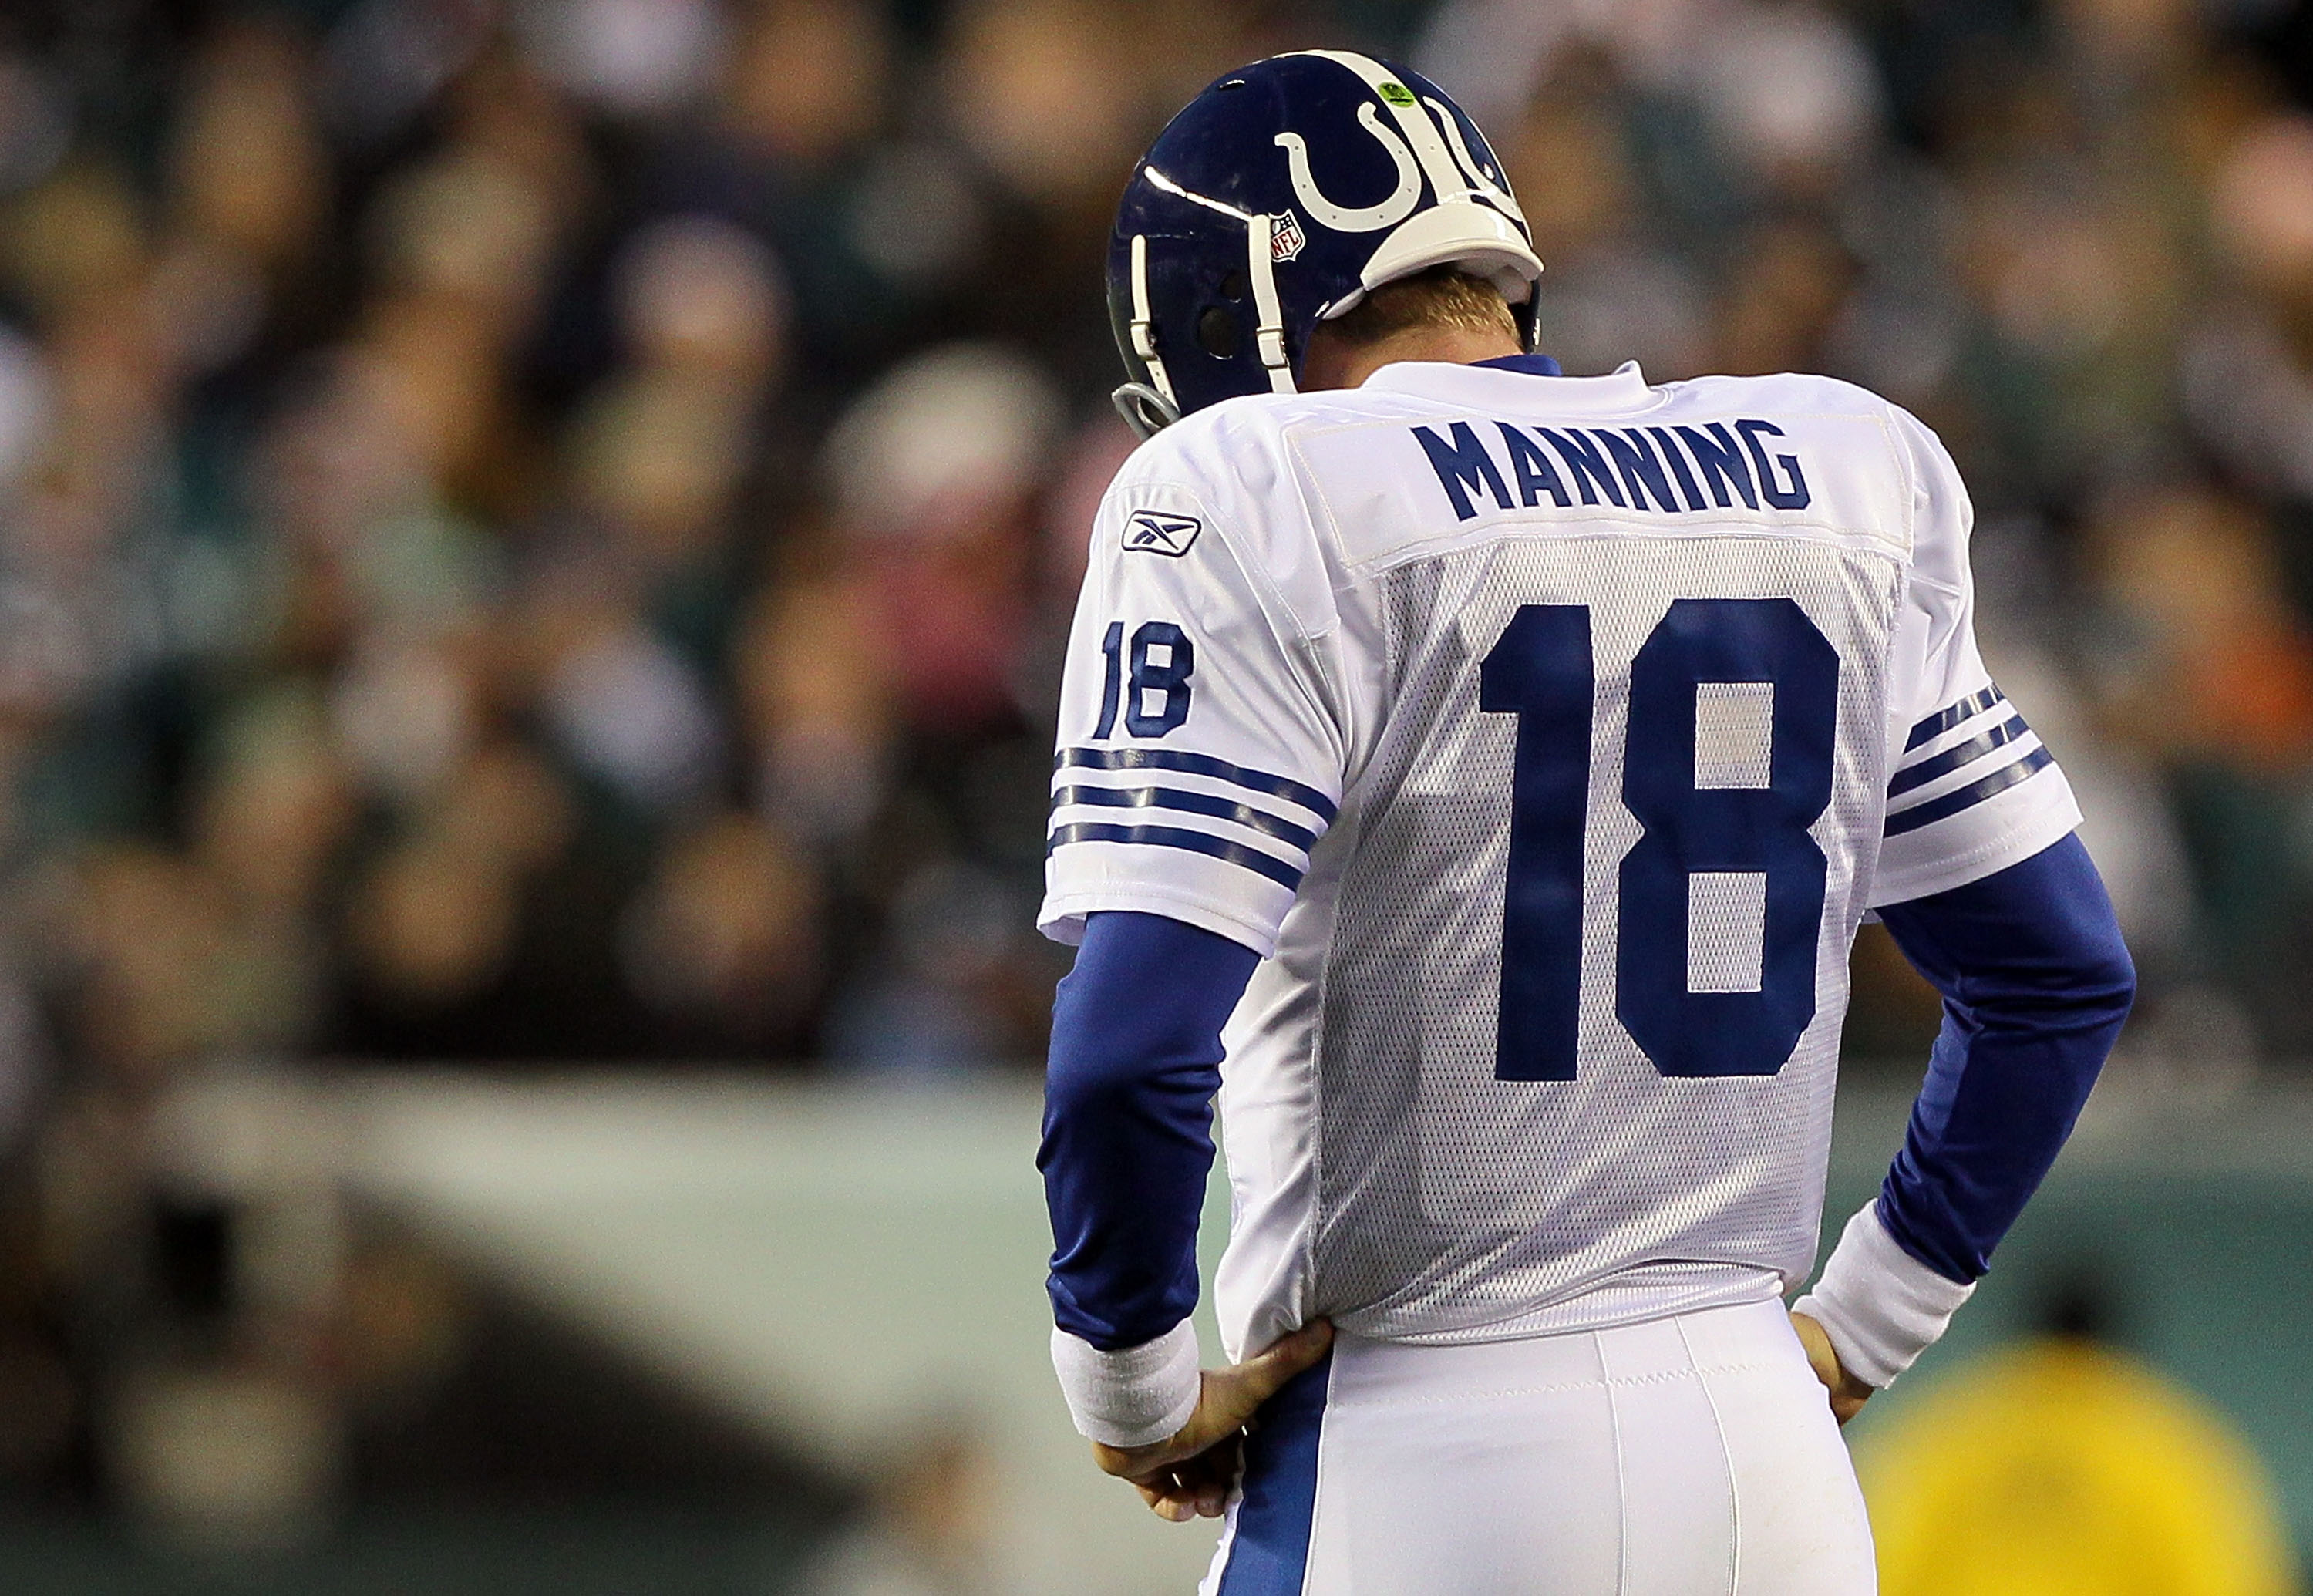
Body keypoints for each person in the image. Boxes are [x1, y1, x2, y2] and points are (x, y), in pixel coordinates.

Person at [1036, 50, 2135, 1594]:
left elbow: (1129, 1055)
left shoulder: (1260, 488)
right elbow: (2057, 973)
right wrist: (1867, 1320)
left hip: (1419, 1450)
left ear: (1230, 325)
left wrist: (1132, 1390)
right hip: (1767, 1468)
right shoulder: (1839, 467)